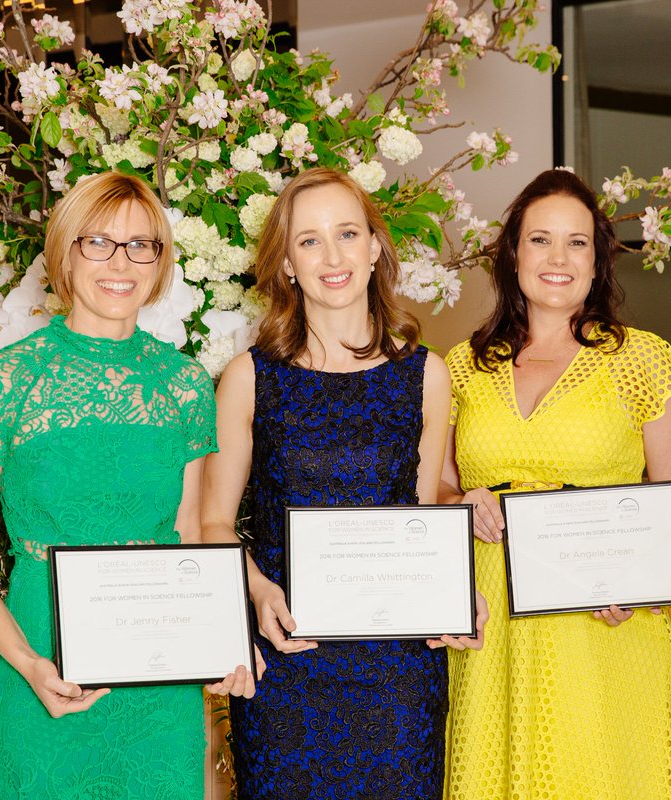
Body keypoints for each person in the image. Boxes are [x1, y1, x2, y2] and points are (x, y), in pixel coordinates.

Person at [0, 171, 257, 800]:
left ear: (161, 263)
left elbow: (189, 532)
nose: (122, 262)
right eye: (98, 242)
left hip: (160, 677)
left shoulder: (186, 385)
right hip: (40, 659)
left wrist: (223, 640)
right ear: (63, 253)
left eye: (143, 245)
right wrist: (27, 663)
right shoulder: (2, 380)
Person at [201, 167, 487, 800]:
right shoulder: (249, 378)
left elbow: (421, 517)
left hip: (397, 672)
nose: (332, 257)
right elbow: (212, 523)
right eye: (309, 241)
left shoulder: (426, 376)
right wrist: (256, 589)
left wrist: (456, 594)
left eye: (347, 233)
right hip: (288, 655)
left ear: (375, 248)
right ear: (286, 267)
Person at [440, 169, 671, 799]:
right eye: (540, 240)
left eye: (577, 242)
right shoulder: (461, 364)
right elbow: (437, 491)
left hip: (604, 619)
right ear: (512, 254)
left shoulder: (643, 357)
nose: (558, 258)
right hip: (491, 623)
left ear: (598, 260)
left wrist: (637, 582)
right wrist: (461, 503)